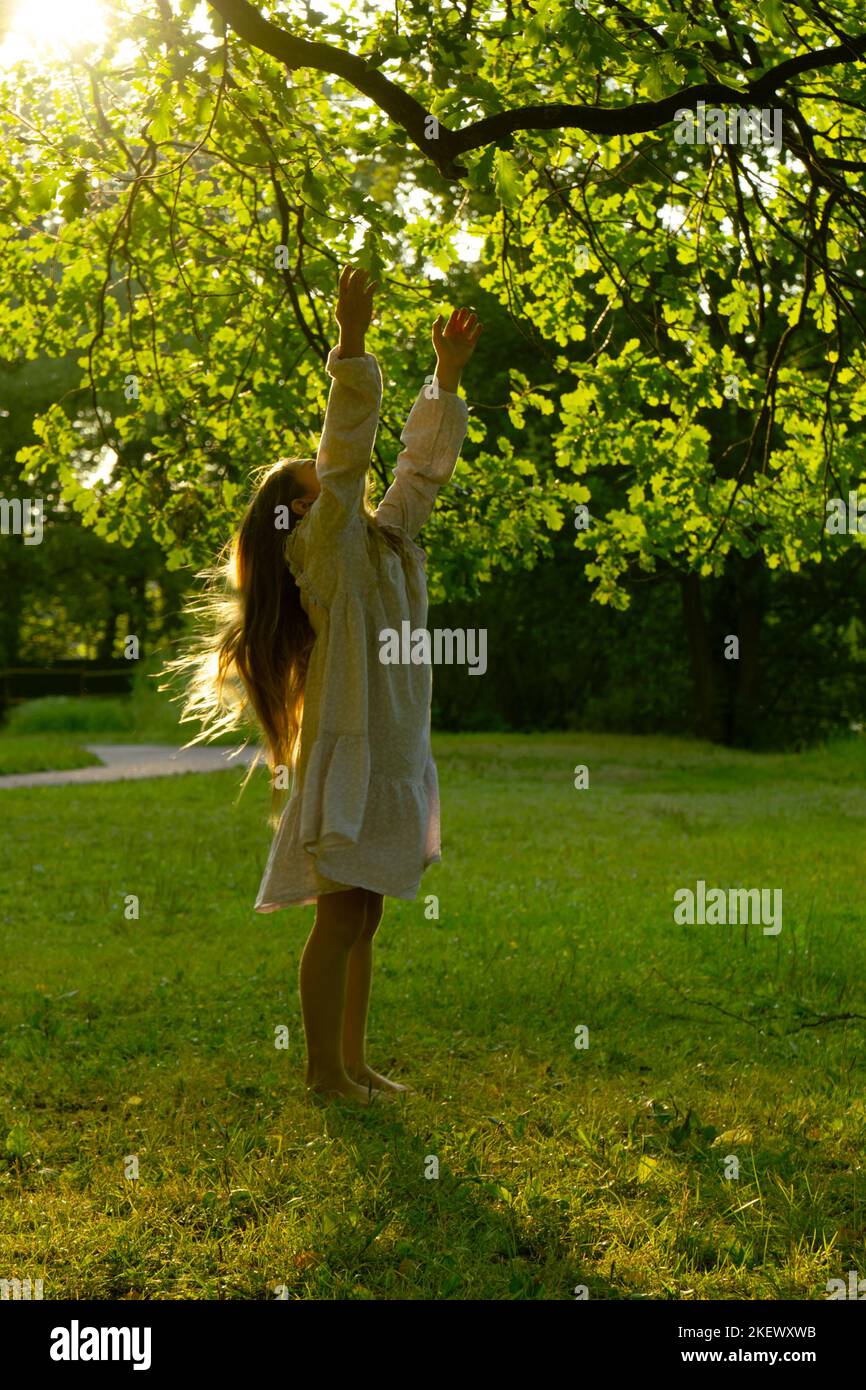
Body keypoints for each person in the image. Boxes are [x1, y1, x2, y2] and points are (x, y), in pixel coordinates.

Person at [176, 265, 482, 1103]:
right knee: (340, 914)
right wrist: (350, 343)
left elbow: (418, 474)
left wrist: (445, 381)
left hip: (390, 751)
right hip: (352, 751)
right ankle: (322, 1073)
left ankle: (354, 1063)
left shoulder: (383, 542)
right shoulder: (323, 554)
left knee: (368, 913)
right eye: (314, 497)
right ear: (295, 525)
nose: (333, 496)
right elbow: (344, 457)